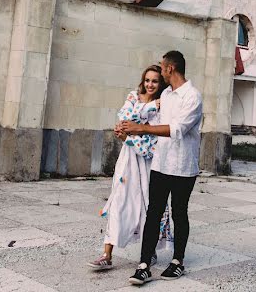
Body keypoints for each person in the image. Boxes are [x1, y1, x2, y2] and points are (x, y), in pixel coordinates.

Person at [120, 50, 203, 285]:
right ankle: (144, 265)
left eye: (162, 68)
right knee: (153, 213)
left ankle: (178, 261)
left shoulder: (193, 96)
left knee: (179, 212)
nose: (161, 72)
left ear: (170, 69)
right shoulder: (165, 94)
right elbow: (152, 122)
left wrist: (141, 129)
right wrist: (128, 130)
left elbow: (177, 130)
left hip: (183, 167)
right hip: (160, 163)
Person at [87, 65, 172, 271]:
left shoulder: (163, 108)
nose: (150, 84)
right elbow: (125, 118)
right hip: (127, 163)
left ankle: (149, 250)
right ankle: (107, 254)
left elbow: (150, 146)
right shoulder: (134, 96)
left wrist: (129, 136)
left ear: (161, 84)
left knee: (147, 207)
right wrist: (141, 119)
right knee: (119, 202)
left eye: (155, 81)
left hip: (148, 165)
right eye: (147, 80)